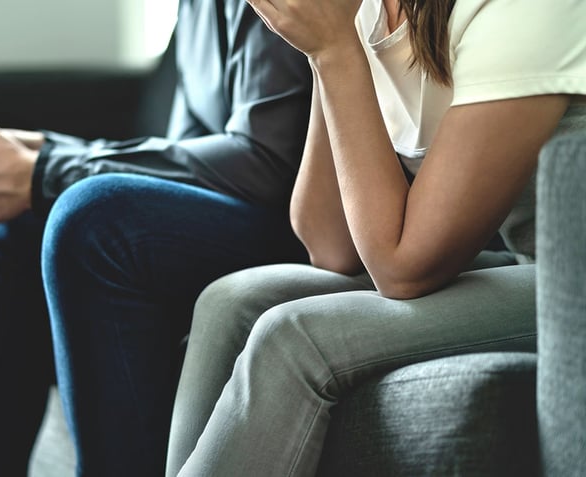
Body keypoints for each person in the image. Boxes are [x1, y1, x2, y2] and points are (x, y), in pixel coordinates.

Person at [166, 0, 586, 475]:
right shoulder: (372, 11)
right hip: (533, 264)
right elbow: (331, 245)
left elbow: (403, 269)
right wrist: (324, 50)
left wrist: (335, 51)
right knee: (231, 301)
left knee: (294, 337)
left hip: (575, 283)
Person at [0, 0, 314, 475]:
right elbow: (188, 147)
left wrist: (47, 169)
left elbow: (266, 161)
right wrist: (45, 158)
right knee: (8, 215)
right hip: (245, 206)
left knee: (90, 219)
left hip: (306, 227)